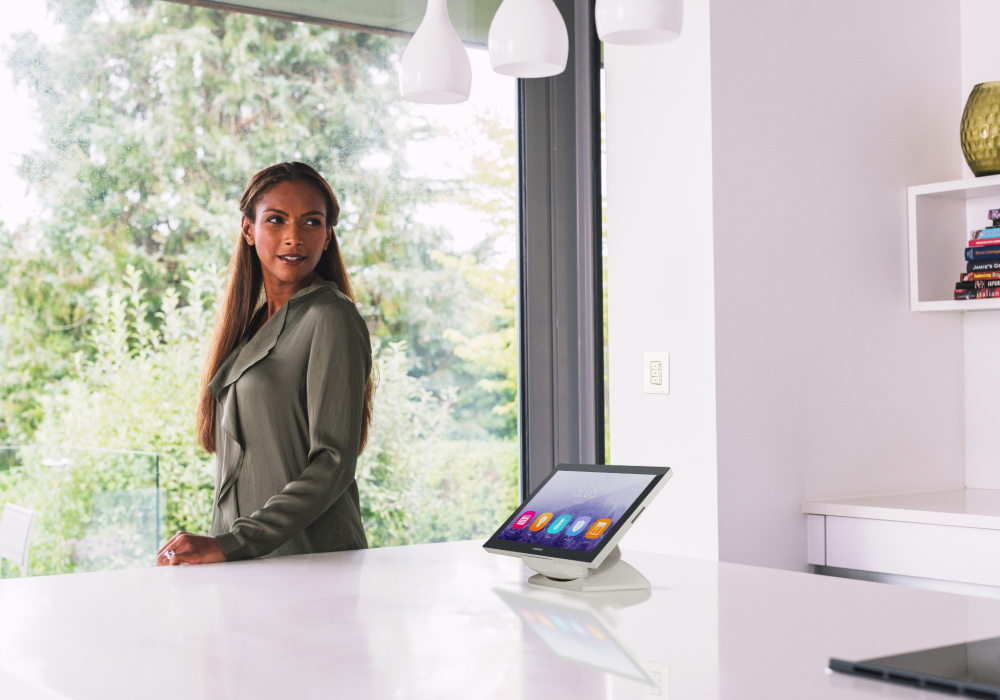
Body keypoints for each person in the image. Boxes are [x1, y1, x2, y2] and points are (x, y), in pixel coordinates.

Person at [156, 162, 375, 566]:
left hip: (314, 565)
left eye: (312, 222)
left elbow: (333, 463)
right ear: (248, 230)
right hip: (249, 566)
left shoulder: (332, 318)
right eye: (276, 220)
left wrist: (233, 543)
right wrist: (221, 545)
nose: (294, 238)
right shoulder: (251, 324)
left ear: (327, 237)